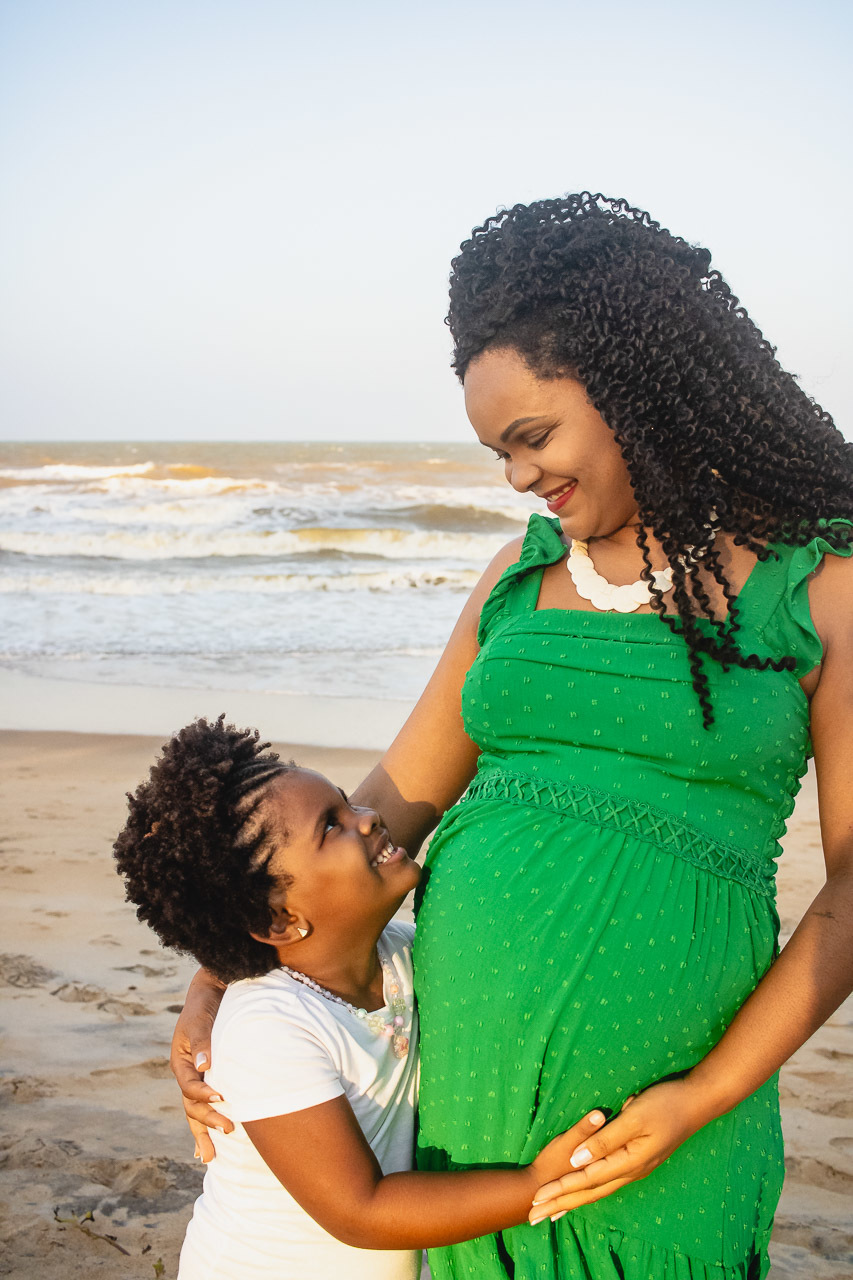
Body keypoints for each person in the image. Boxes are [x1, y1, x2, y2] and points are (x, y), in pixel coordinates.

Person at [172, 194, 853, 1279]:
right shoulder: (520, 578)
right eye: (497, 451)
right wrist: (234, 962)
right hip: (471, 1116)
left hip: (669, 1115)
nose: (518, 478)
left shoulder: (819, 585)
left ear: (640, 387)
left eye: (533, 438)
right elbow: (386, 804)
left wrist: (708, 1093)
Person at [114, 715, 607, 1280]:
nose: (370, 818)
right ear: (280, 920)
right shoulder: (268, 1027)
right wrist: (530, 1185)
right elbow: (359, 1211)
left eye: (348, 804)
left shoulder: (400, 953)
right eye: (332, 827)